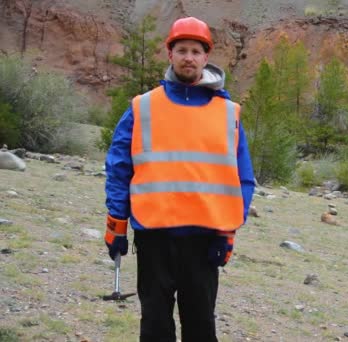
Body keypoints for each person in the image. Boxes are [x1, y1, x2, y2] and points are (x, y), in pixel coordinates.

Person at [103, 16, 255, 342]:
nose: (189, 57)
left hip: (204, 242)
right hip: (153, 236)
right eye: (182, 49)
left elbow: (242, 180)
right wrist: (116, 223)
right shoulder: (142, 108)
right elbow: (119, 168)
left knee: (201, 326)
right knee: (155, 326)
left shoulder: (229, 113)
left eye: (196, 51)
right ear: (170, 54)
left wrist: (228, 232)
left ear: (206, 57)